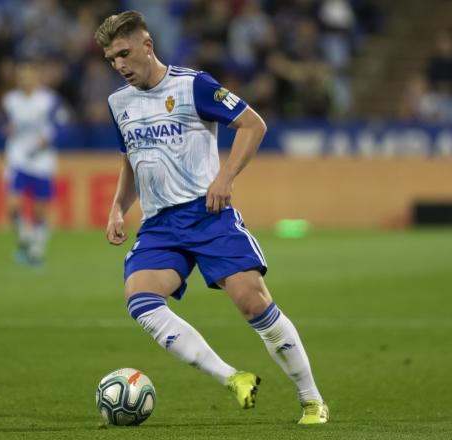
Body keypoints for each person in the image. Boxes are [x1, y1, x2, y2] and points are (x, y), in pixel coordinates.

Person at [94, 11, 329, 424]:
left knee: (253, 302)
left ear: (147, 46)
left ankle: (311, 399)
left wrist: (226, 176)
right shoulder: (119, 103)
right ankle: (232, 377)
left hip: (208, 215)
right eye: (112, 59)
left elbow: (252, 125)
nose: (120, 66)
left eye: (125, 54)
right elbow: (131, 159)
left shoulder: (192, 86)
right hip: (160, 225)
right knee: (141, 300)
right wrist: (118, 206)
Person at [1, 59, 67, 266]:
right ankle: (26, 238)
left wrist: (49, 139)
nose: (25, 79)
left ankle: (36, 250)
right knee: (13, 206)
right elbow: (1, 121)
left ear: (37, 77)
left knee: (40, 210)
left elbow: (62, 126)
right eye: (21, 76)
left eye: (28, 75)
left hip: (42, 161)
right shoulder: (10, 100)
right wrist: (6, 128)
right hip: (17, 157)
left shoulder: (49, 100)